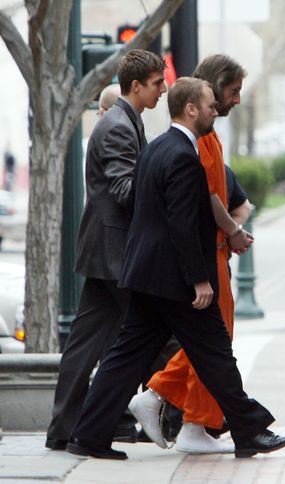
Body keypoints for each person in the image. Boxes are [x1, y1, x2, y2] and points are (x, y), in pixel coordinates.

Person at [66, 77, 285, 460]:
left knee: (126, 358)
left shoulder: (157, 148)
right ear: (191, 109)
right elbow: (182, 224)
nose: (214, 111)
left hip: (147, 275)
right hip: (174, 282)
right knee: (216, 354)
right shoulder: (183, 157)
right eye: (209, 105)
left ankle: (87, 435)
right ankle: (250, 429)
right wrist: (200, 280)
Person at [45, 50, 167, 451]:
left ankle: (68, 430)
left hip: (107, 251)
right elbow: (124, 189)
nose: (163, 89)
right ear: (136, 85)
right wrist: (166, 190)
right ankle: (110, 425)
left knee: (86, 344)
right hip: (114, 253)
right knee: (146, 337)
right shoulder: (118, 126)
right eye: (156, 83)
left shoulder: (125, 121)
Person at [143, 55, 253, 454]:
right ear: (214, 89)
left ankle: (167, 404)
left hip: (216, 252)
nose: (237, 100)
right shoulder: (200, 136)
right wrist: (234, 230)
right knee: (214, 345)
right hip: (211, 253)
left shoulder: (207, 134)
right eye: (233, 91)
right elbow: (206, 198)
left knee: (210, 345)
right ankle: (191, 422)